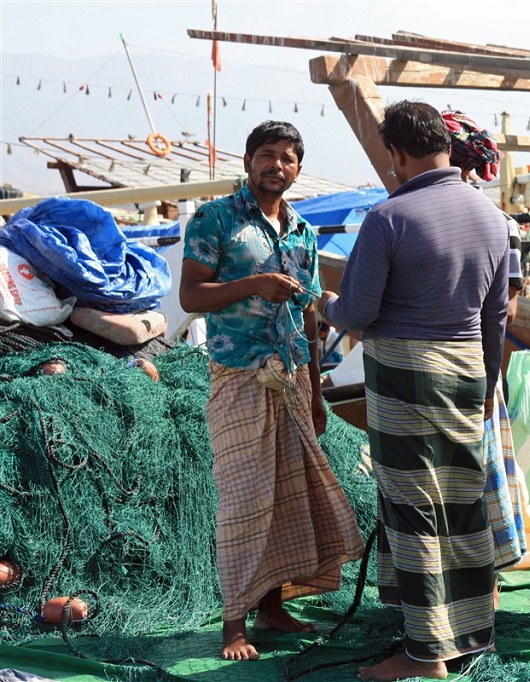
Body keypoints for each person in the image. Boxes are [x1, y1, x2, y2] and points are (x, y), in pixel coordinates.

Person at [321, 100, 510, 682]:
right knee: (462, 502)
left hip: (405, 370)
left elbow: (355, 311)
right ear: (447, 146)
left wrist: (319, 305)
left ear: (397, 154)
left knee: (413, 507)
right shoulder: (494, 219)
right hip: (467, 370)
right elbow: (497, 317)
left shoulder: (388, 218)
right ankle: (471, 634)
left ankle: (426, 655)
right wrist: (488, 384)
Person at [179, 120, 365, 661]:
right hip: (238, 378)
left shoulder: (303, 232)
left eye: (287, 158)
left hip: (295, 376)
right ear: (247, 161)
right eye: (267, 155)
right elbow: (191, 296)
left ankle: (272, 606)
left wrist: (314, 395)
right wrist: (253, 285)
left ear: (298, 169)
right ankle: (232, 623)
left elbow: (310, 316)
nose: (276, 165)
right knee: (242, 500)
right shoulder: (215, 219)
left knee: (289, 497)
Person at [441, 108, 528, 593]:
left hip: (464, 366)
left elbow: (506, 309)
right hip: (477, 363)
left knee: (464, 473)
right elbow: (508, 310)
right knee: (479, 470)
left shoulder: (494, 221)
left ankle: (476, 585)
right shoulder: (501, 222)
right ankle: (480, 582)